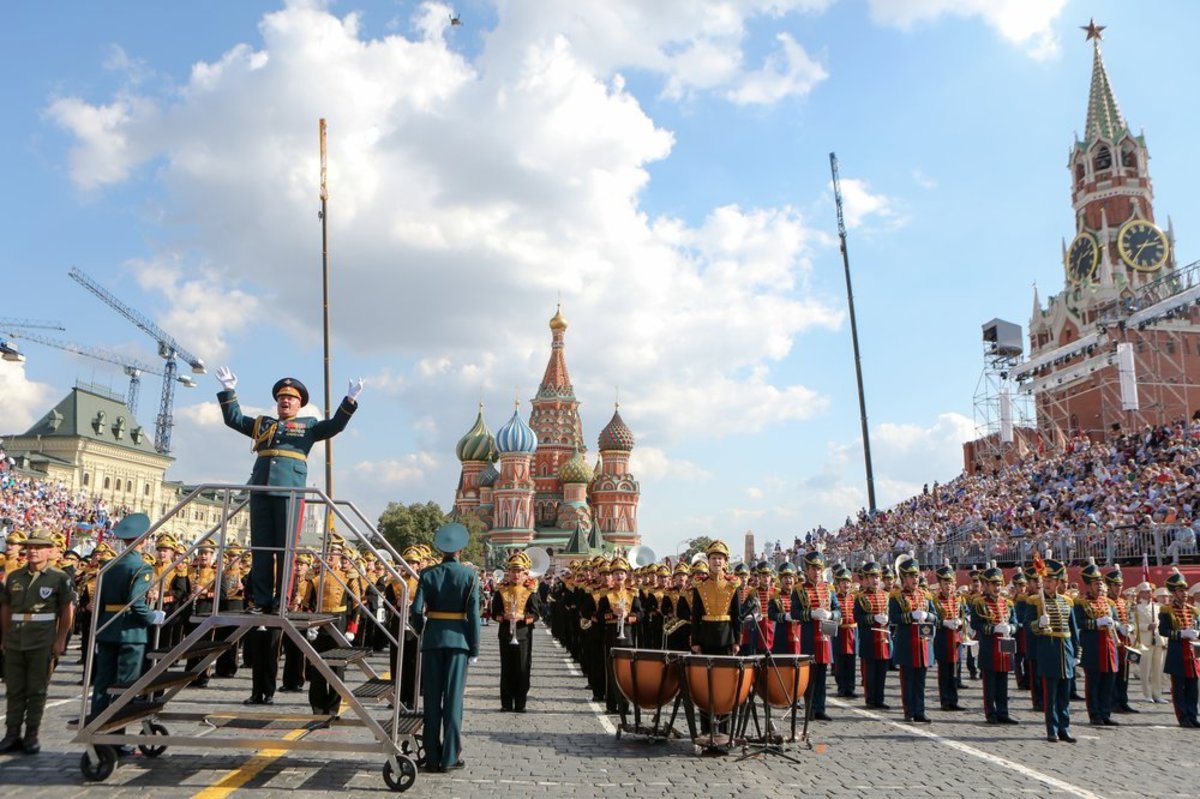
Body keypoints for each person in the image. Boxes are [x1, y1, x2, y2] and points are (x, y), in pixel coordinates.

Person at [215, 370, 362, 613]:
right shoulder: (263, 424)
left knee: (286, 551)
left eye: (291, 398)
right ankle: (261, 601)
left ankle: (281, 601)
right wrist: (229, 390)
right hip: (260, 488)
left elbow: (335, 425)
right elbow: (234, 419)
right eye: (282, 397)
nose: (285, 401)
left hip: (289, 493)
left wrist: (349, 401)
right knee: (260, 549)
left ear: (299, 404)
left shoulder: (309, 426)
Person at [410, 522, 480, 773]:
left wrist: (422, 631)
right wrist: (474, 648)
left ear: (441, 548)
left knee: (431, 699)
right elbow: (473, 615)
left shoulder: (427, 574)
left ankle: (431, 755)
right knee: (453, 701)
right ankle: (450, 757)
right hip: (459, 641)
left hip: (432, 640)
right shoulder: (470, 575)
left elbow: (416, 611)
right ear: (461, 549)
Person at [89, 514, 166, 743]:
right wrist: (153, 617)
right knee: (124, 686)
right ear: (143, 539)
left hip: (108, 627)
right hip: (131, 631)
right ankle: (116, 737)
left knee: (103, 683)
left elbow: (100, 600)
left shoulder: (109, 565)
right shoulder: (141, 567)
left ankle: (96, 727)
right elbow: (136, 602)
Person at [0, 530, 76, 754]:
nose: (33, 551)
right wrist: (4, 637)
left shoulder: (58, 577)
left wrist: (61, 639)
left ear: (48, 551)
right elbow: (5, 608)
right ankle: (12, 733)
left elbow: (66, 610)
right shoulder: (14, 577)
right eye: (30, 547)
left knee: (37, 689)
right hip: (15, 639)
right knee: (14, 689)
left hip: (42, 639)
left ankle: (32, 733)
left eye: (39, 547)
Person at [1026, 559, 1078, 743]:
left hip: (1066, 651)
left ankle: (1065, 727)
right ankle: (1052, 729)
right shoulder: (1035, 602)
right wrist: (1038, 623)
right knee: (1051, 695)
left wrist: (1077, 653)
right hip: (1048, 651)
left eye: (1050, 581)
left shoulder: (1067, 602)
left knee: (1065, 694)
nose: (1047, 584)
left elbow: (1073, 629)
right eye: (1045, 581)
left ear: (1058, 583)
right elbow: (1028, 627)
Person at [490, 551, 541, 713]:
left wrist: (522, 617)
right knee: (506, 668)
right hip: (505, 632)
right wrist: (504, 617)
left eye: (519, 571)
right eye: (513, 571)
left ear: (525, 573)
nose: (516, 574)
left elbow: (537, 614)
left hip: (523, 634)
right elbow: (494, 613)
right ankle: (506, 703)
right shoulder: (501, 590)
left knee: (522, 667)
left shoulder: (530, 591)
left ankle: (520, 702)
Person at [889, 556, 936, 723]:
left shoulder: (926, 595)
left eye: (916, 576)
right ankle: (908, 711)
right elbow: (893, 617)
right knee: (907, 680)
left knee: (920, 681)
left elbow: (935, 617)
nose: (915, 579)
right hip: (907, 643)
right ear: (904, 578)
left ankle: (920, 711)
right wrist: (910, 616)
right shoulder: (896, 596)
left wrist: (927, 615)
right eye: (911, 576)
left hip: (923, 642)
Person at [1073, 564, 1119, 727]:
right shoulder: (1080, 603)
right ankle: (1095, 714)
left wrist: (1116, 623)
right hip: (1093, 646)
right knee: (1093, 682)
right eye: (1096, 583)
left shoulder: (1109, 603)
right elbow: (1078, 622)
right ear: (1089, 585)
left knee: (1108, 681)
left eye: (1101, 583)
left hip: (1109, 646)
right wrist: (1096, 623)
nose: (1099, 586)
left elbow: (1116, 620)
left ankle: (1105, 713)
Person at [971, 566, 1017, 724]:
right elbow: (976, 624)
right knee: (989, 683)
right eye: (993, 584)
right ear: (987, 585)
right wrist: (993, 628)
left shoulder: (1008, 603)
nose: (997, 588)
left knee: (1003, 681)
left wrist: (1010, 627)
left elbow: (1015, 622)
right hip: (989, 646)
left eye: (999, 584)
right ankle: (990, 712)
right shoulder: (979, 603)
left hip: (1004, 647)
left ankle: (1003, 711)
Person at [1159, 569, 1199, 727]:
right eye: (1180, 590)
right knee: (1179, 688)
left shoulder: (1192, 610)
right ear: (1174, 593)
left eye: (1185, 590)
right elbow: (1163, 631)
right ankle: (1182, 717)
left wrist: (1197, 632)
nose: (1184, 593)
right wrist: (1181, 633)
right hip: (1177, 653)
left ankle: (1192, 715)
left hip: (1192, 653)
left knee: (1193, 688)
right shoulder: (1167, 610)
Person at [852, 562, 891, 709]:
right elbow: (858, 618)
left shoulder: (886, 596)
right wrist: (873, 618)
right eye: (871, 577)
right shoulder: (860, 597)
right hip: (869, 638)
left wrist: (888, 619)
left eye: (877, 577)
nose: (875, 580)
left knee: (882, 671)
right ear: (866, 579)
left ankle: (879, 698)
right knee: (870, 672)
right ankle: (870, 699)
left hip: (883, 639)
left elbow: (890, 614)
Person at [931, 565, 964, 712]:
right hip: (943, 639)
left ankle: (954, 700)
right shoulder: (935, 600)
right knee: (945, 672)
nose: (949, 586)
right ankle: (945, 700)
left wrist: (962, 621)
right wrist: (944, 623)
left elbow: (966, 614)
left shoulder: (958, 599)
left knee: (955, 672)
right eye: (946, 583)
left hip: (956, 639)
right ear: (940, 584)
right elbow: (932, 619)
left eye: (950, 583)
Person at [1130, 581, 1165, 703]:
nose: (1149, 593)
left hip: (1158, 640)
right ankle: (1147, 694)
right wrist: (1146, 627)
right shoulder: (1137, 608)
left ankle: (1157, 693)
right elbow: (1134, 625)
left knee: (1158, 668)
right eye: (1145, 592)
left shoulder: (1157, 607)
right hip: (1145, 640)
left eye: (1150, 591)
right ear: (1140, 594)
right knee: (1145, 669)